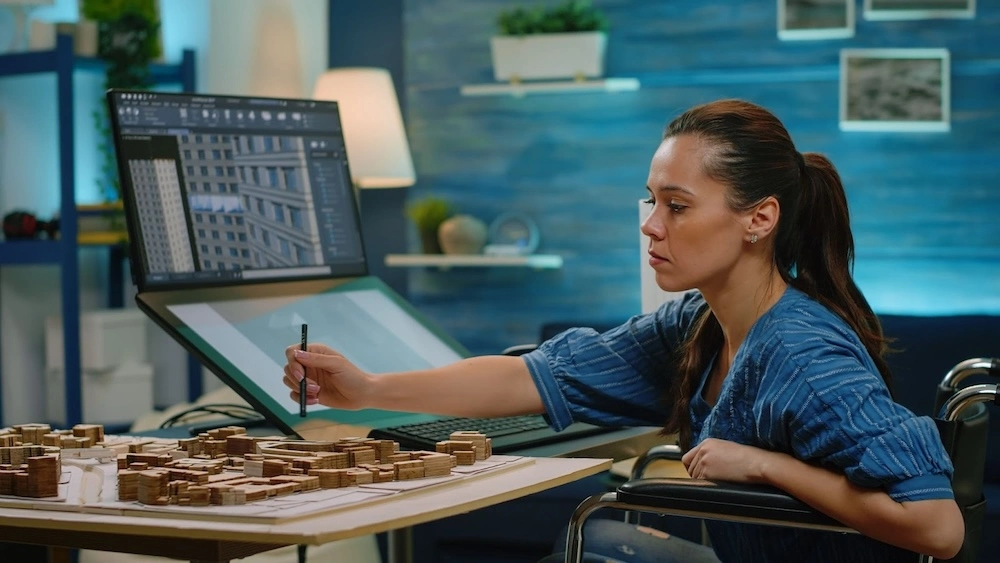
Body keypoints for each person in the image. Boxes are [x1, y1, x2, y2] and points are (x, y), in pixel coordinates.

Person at [281, 99, 964, 562]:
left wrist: (766, 464)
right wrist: (367, 386)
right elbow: (537, 374)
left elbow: (938, 526)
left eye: (677, 205)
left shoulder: (803, 353)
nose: (650, 225)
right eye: (651, 200)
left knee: (603, 536)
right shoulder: (695, 324)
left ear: (759, 218)